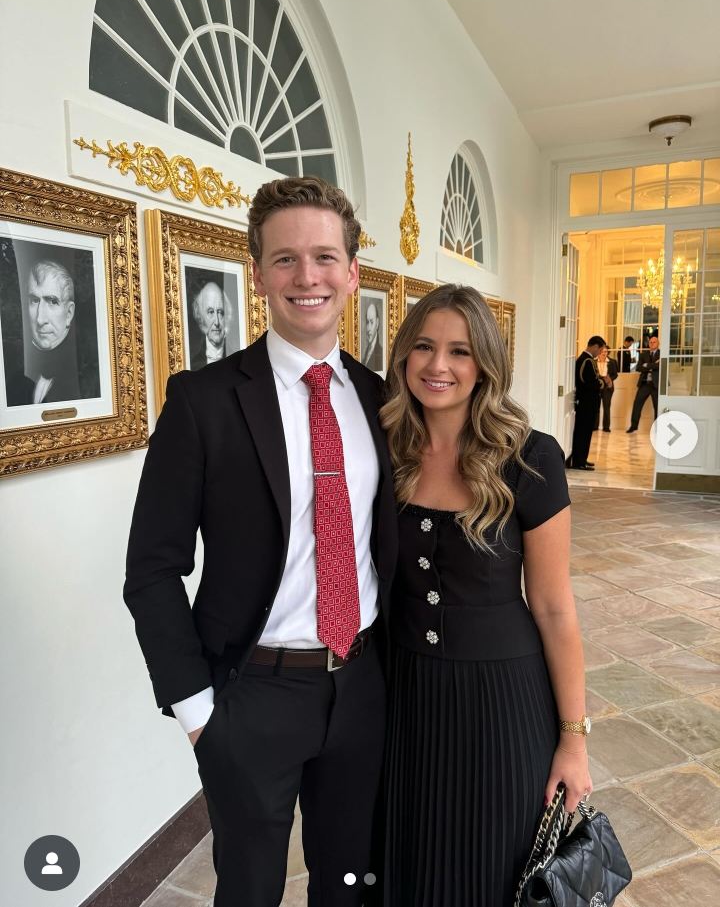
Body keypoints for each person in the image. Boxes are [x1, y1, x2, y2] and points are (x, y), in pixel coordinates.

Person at [124, 176, 398, 907]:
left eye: (324, 257)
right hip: (252, 694)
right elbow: (151, 570)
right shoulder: (204, 400)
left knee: (348, 881)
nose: (306, 277)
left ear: (352, 273)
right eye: (285, 259)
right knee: (248, 888)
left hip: (361, 682)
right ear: (258, 275)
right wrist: (196, 710)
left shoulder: (380, 399)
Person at [380, 285, 591, 907]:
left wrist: (574, 739)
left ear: (486, 366)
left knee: (493, 868)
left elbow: (554, 606)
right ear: (403, 355)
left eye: (459, 351)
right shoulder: (384, 446)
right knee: (411, 860)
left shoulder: (530, 459)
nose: (438, 366)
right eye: (423, 346)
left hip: (501, 702)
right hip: (404, 695)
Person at [25, 260, 80, 403]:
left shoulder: (90, 378)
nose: (40, 319)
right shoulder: (14, 378)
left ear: (69, 314)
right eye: (34, 300)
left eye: (52, 301)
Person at [567, 335, 605, 470]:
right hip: (586, 403)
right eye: (600, 349)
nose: (600, 353)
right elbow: (589, 382)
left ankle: (582, 458)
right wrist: (602, 383)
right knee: (583, 432)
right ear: (595, 346)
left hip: (587, 403)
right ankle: (579, 461)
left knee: (586, 432)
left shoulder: (588, 360)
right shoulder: (586, 361)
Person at [190, 280, 231, 370]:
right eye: (211, 312)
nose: (217, 322)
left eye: (220, 312)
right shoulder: (193, 363)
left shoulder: (237, 358)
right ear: (200, 317)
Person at [627, 335, 660, 433]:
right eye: (650, 342)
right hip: (645, 383)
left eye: (654, 342)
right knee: (637, 403)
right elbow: (638, 368)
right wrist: (653, 366)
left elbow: (661, 366)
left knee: (657, 406)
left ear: (658, 344)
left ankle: (657, 428)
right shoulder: (643, 354)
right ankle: (633, 426)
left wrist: (647, 365)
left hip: (656, 384)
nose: (652, 344)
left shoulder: (662, 354)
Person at [594, 344, 619, 432]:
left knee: (606, 407)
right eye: (602, 351)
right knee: (596, 407)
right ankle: (595, 426)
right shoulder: (593, 361)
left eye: (606, 351)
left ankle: (606, 427)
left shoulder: (612, 362)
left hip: (607, 387)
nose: (604, 353)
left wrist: (609, 379)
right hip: (596, 387)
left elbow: (615, 374)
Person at [363, 300, 383, 371]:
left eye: (371, 322)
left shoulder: (381, 353)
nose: (368, 328)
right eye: (367, 322)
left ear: (377, 323)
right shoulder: (366, 351)